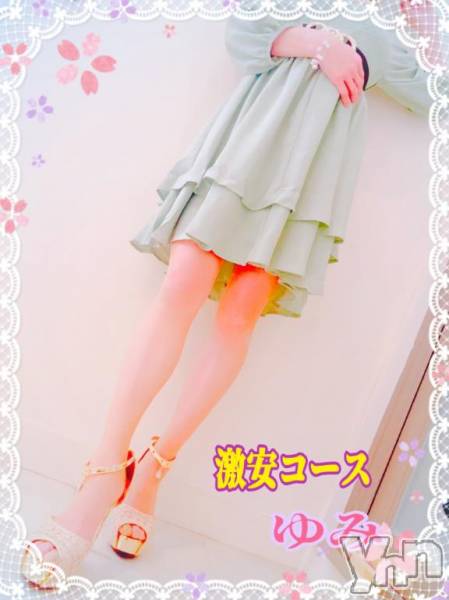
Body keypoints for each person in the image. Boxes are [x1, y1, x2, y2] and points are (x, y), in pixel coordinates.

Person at [21, 0, 437, 588]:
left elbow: (430, 90)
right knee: (183, 281)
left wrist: (419, 22)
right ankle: (106, 470)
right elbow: (245, 28)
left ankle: (153, 472)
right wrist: (317, 43)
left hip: (309, 176)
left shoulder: (396, 24)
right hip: (246, 146)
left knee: (241, 313)